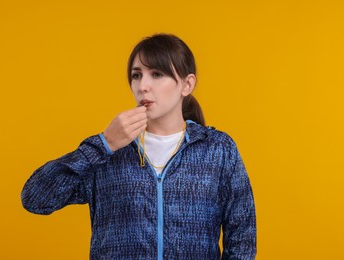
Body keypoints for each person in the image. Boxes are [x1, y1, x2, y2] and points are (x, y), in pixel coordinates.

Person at [21, 33, 257, 259]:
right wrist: (104, 144)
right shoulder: (107, 152)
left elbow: (243, 239)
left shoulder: (218, 150)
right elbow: (35, 198)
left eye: (156, 74)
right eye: (136, 75)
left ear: (187, 84)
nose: (143, 85)